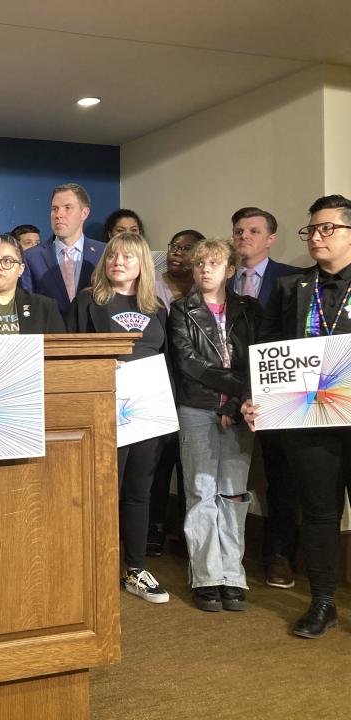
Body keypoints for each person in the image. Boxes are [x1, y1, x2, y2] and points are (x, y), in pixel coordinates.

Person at [243, 194, 351, 638]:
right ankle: (323, 601)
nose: (317, 237)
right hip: (310, 420)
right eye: (312, 229)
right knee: (320, 514)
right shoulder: (291, 287)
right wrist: (256, 398)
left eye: (328, 228)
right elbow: (267, 351)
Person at [67, 232, 169, 603]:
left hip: (147, 413)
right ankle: (95, 566)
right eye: (112, 257)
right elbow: (67, 357)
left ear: (142, 263)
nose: (118, 263)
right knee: (102, 491)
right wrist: (97, 365)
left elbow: (166, 362)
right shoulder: (88, 302)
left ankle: (134, 569)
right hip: (103, 410)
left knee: (139, 492)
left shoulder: (157, 308)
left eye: (127, 258)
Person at [169, 238, 260, 612]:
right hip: (197, 408)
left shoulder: (249, 310)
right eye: (199, 264)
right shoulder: (181, 309)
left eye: (213, 263)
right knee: (201, 491)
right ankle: (207, 577)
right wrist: (237, 387)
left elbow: (256, 360)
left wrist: (238, 402)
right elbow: (190, 364)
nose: (205, 269)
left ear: (229, 269)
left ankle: (232, 576)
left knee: (233, 493)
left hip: (241, 411)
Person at [230, 206, 302, 589]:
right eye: (239, 230)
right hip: (228, 386)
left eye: (254, 231)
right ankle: (225, 555)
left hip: (278, 387)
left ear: (270, 238)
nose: (245, 236)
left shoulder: (292, 279)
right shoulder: (219, 277)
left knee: (281, 473)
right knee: (226, 470)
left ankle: (279, 555)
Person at [146, 229, 203, 556]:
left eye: (185, 248)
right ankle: (153, 526)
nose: (176, 252)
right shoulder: (150, 284)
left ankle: (186, 530)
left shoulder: (204, 288)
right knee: (159, 460)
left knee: (190, 465)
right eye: (173, 245)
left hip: (193, 387)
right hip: (157, 382)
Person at [20, 183, 107, 315]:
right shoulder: (31, 257)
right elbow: (27, 306)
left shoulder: (105, 253)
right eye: (54, 209)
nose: (58, 214)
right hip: (49, 333)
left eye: (67, 208)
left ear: (84, 213)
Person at [154, 230, 202, 308]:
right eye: (174, 247)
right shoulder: (150, 284)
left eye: (187, 249)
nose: (178, 253)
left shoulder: (204, 287)